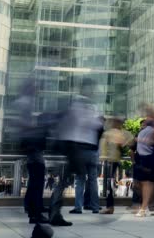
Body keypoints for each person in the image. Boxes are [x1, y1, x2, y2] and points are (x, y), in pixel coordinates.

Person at [48, 82, 104, 227]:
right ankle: (55, 211)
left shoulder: (87, 105)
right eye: (91, 88)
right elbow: (90, 124)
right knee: (69, 180)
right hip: (76, 146)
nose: (93, 91)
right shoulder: (79, 104)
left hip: (82, 147)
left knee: (70, 180)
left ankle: (56, 210)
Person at [10, 78, 49, 224]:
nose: (37, 90)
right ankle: (35, 213)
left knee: (35, 178)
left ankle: (32, 208)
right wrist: (39, 129)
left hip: (29, 144)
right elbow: (21, 123)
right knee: (37, 179)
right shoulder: (25, 102)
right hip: (31, 145)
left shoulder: (24, 102)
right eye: (35, 87)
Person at [133, 108, 154, 217]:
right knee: (141, 184)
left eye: (149, 116)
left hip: (149, 159)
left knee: (148, 184)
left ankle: (144, 208)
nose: (146, 118)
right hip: (141, 159)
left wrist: (145, 141)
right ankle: (150, 205)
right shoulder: (145, 129)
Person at [99, 117, 133, 214]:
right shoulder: (122, 133)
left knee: (109, 184)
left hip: (110, 161)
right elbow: (130, 141)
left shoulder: (109, 133)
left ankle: (110, 207)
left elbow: (103, 148)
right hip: (114, 160)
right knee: (110, 184)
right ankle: (110, 206)